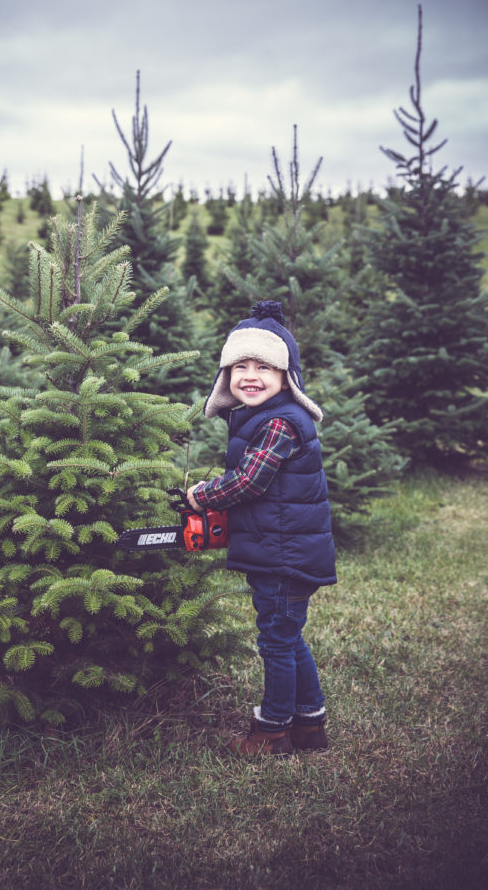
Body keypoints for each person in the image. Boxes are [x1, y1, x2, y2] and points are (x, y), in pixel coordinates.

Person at [187, 299, 336, 757]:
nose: (250, 375)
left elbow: (249, 481)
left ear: (285, 378)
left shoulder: (280, 422)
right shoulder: (262, 417)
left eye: (263, 368)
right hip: (282, 551)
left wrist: (201, 496)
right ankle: (309, 725)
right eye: (240, 367)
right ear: (226, 376)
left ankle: (271, 731)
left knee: (276, 641)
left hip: (284, 557)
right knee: (288, 636)